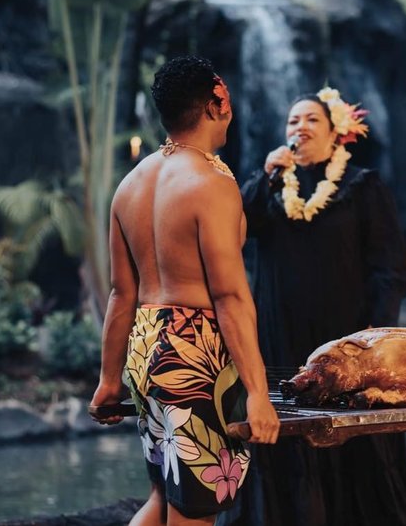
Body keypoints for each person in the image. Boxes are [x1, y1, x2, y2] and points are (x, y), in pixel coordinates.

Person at [226, 88, 406, 526]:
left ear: (336, 131)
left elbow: (391, 269)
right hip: (281, 338)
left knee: (355, 441)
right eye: (292, 122)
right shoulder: (269, 188)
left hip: (347, 340)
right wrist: (265, 176)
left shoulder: (362, 186)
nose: (298, 127)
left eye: (310, 120)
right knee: (288, 440)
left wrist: (374, 339)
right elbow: (234, 230)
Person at [88, 56, 280, 526]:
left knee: (162, 498)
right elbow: (230, 296)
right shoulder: (211, 182)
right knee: (193, 512)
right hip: (195, 356)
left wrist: (109, 378)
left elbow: (121, 295)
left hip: (145, 345)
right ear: (219, 100)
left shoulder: (131, 184)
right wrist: (258, 393)